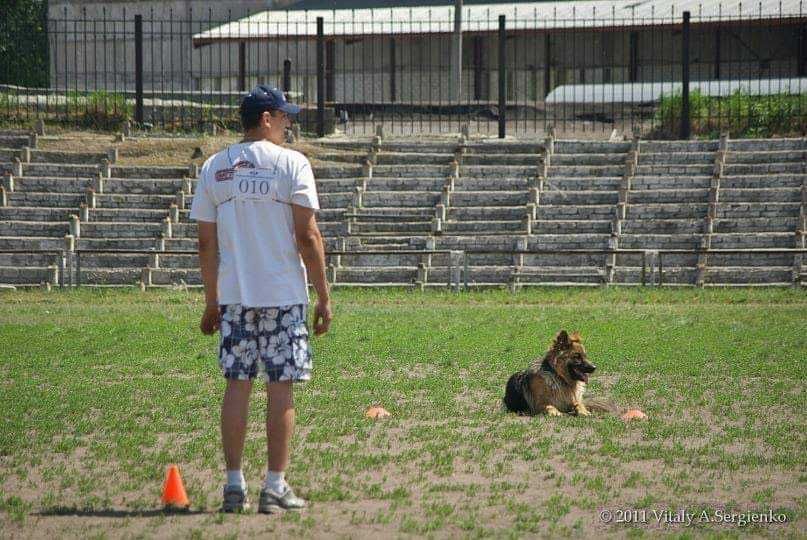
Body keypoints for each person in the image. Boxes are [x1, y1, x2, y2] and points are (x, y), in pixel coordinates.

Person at [190, 85, 331, 513]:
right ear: (267, 119)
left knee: (237, 385)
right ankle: (274, 485)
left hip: (235, 296)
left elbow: (205, 244)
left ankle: (234, 486)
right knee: (280, 387)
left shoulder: (215, 167)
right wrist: (323, 296)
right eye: (285, 117)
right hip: (283, 294)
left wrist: (212, 301)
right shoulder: (292, 164)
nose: (290, 125)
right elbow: (307, 236)